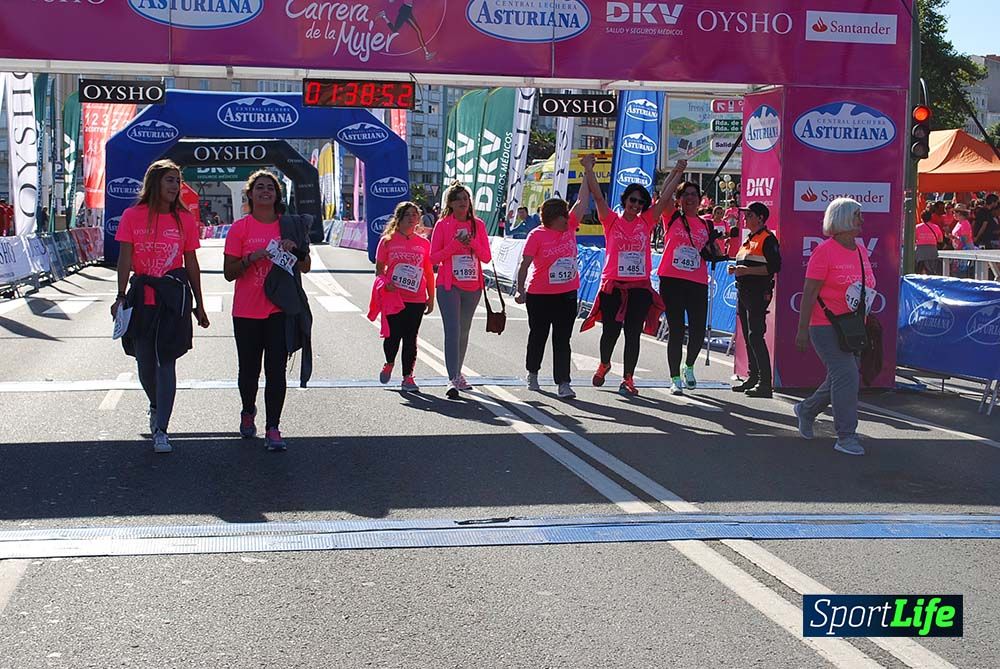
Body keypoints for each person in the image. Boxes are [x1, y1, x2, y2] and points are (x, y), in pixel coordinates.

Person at [112, 159, 210, 454]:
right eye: (170, 180)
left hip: (173, 294)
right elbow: (125, 258)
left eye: (178, 181)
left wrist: (200, 304)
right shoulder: (132, 215)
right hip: (142, 293)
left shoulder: (184, 219)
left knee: (166, 359)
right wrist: (120, 296)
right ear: (154, 183)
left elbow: (191, 262)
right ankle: (155, 404)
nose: (175, 186)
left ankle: (162, 429)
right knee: (144, 362)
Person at [581, 157, 688, 397]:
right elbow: (598, 197)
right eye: (633, 200)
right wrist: (588, 169)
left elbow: (665, 197)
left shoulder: (646, 221)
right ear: (625, 200)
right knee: (610, 332)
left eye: (641, 202)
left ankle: (627, 378)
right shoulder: (610, 221)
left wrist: (678, 171)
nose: (636, 205)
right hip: (613, 287)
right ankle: (604, 363)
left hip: (639, 287)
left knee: (632, 334)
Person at [223, 170, 311, 451]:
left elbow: (305, 267)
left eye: (270, 188)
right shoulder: (240, 228)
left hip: (279, 310)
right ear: (249, 194)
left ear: (277, 194)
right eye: (259, 187)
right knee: (248, 370)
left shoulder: (288, 226)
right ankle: (248, 411)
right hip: (247, 310)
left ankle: (273, 427)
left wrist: (294, 249)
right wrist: (253, 257)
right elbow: (228, 272)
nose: (265, 192)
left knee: (276, 371)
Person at [793, 197, 875, 456]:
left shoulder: (860, 250)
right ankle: (846, 435)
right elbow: (809, 292)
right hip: (824, 325)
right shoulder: (824, 251)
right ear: (844, 219)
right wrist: (802, 329)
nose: (862, 221)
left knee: (841, 376)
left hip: (852, 327)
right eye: (857, 216)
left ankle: (806, 409)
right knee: (846, 375)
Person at [513, 155, 593, 400]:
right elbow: (524, 264)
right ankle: (533, 372)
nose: (569, 220)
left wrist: (587, 170)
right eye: (563, 218)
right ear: (551, 219)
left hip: (567, 294)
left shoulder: (569, 227)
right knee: (538, 335)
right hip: (540, 295)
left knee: (562, 339)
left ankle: (563, 382)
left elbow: (582, 200)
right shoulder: (537, 236)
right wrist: (520, 290)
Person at [656, 180, 728, 395]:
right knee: (676, 330)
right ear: (679, 200)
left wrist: (715, 248)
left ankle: (688, 366)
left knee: (697, 332)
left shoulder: (706, 225)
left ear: (699, 200)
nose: (690, 198)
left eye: (693, 194)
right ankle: (675, 378)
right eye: (685, 194)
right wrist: (677, 172)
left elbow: (712, 252)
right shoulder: (672, 217)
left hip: (697, 282)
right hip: (672, 280)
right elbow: (664, 198)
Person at [429, 182, 491, 399]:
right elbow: (433, 258)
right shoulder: (443, 225)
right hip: (449, 285)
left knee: (464, 331)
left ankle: (458, 373)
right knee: (452, 330)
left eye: (466, 199)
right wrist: (454, 246)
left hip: (472, 285)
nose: (463, 203)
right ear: (451, 204)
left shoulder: (479, 225)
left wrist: (472, 243)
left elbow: (486, 257)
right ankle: (452, 378)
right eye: (459, 200)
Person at [375, 201, 435, 392]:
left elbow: (428, 272)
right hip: (394, 297)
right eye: (408, 215)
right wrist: (387, 283)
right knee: (393, 336)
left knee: (411, 338)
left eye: (415, 215)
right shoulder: (387, 241)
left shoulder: (424, 243)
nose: (412, 218)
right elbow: (379, 270)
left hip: (416, 298)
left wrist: (431, 297)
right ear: (399, 218)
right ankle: (389, 362)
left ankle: (408, 377)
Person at [729, 202, 781, 398]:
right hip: (744, 291)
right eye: (745, 214)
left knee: (756, 335)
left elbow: (775, 266)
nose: (745, 218)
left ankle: (764, 383)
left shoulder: (768, 239)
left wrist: (746, 271)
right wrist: (737, 270)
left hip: (758, 292)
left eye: (749, 215)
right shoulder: (749, 239)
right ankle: (753, 377)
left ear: (760, 218)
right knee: (749, 335)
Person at [915, 210, 943, 274]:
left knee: (919, 271)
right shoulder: (936, 227)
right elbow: (940, 240)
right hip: (932, 250)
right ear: (931, 218)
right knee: (932, 271)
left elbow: (914, 239)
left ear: (921, 218)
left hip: (920, 252)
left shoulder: (917, 227)